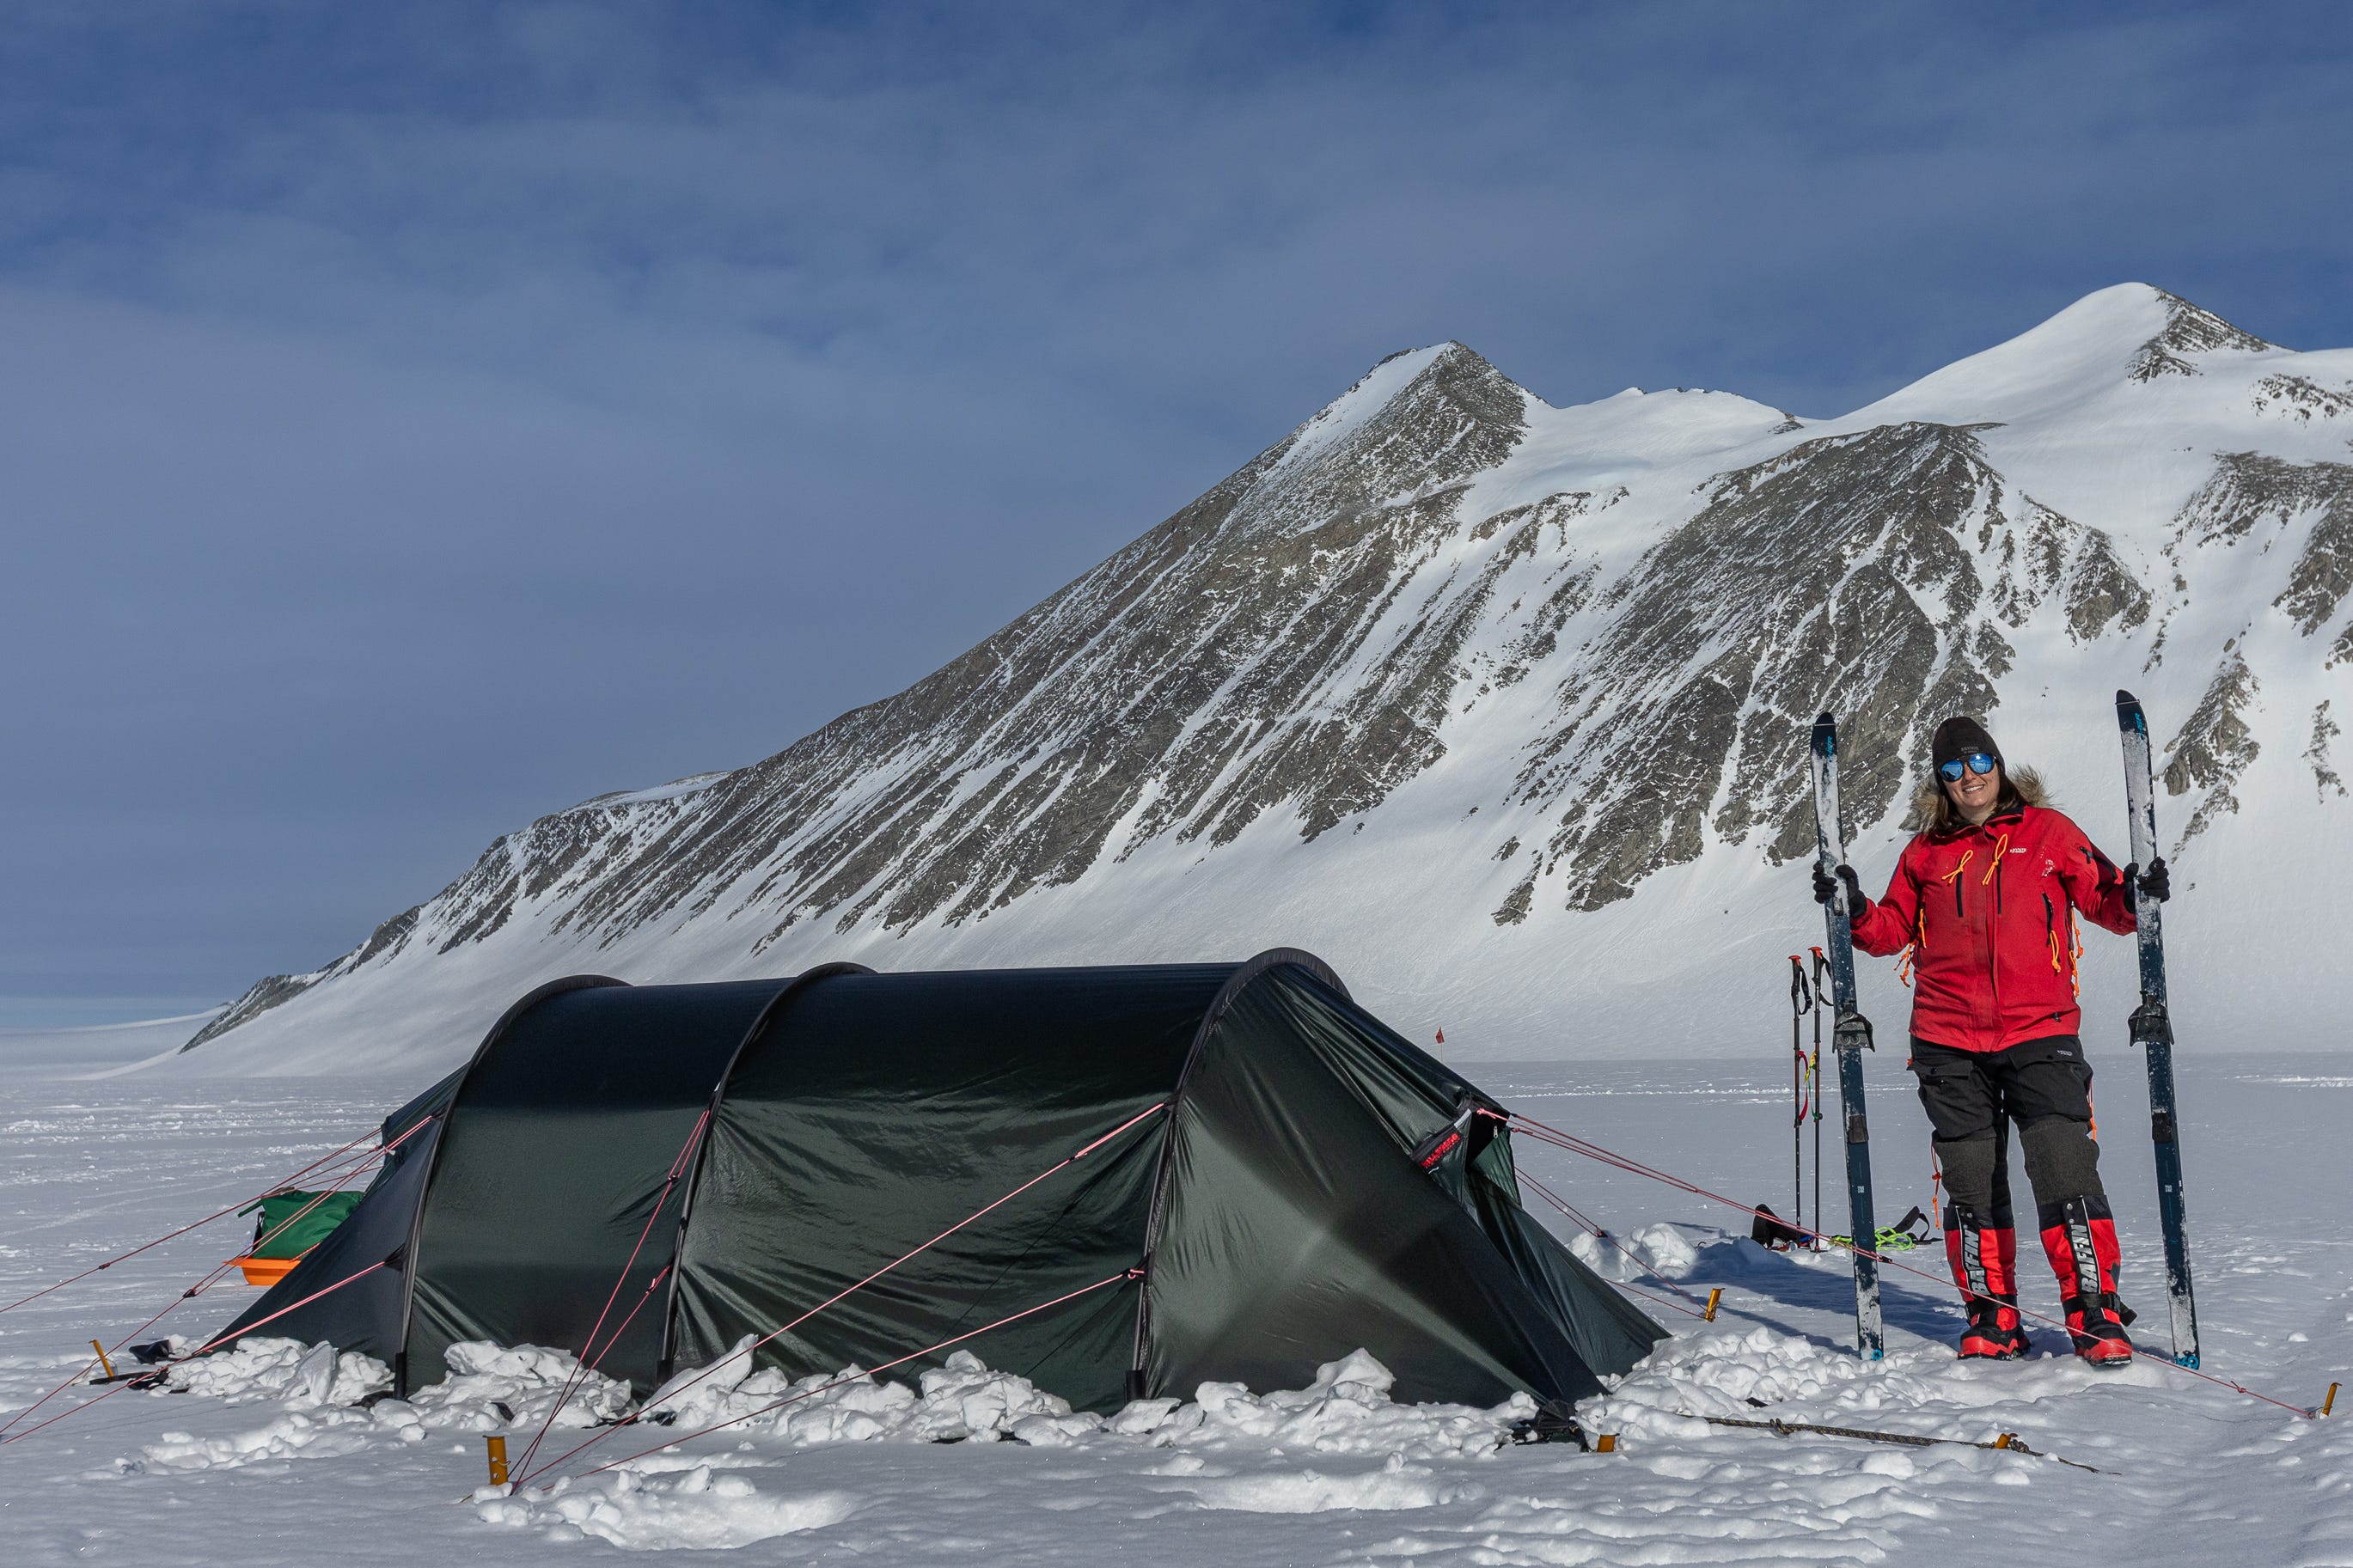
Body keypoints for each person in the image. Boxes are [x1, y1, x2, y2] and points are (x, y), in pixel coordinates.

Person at [1812, 715, 2167, 1367]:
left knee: (2063, 1162)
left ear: (1998, 764)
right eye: (1951, 769)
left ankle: (2094, 1307)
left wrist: (2138, 895)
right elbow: (1889, 930)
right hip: (1947, 1040)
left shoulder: (2049, 833)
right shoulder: (1925, 852)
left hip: (2042, 1031)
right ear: (1939, 782)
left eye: (1977, 762)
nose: (1967, 777)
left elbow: (2107, 902)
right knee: (1971, 1180)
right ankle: (1991, 1312)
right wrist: (1854, 907)